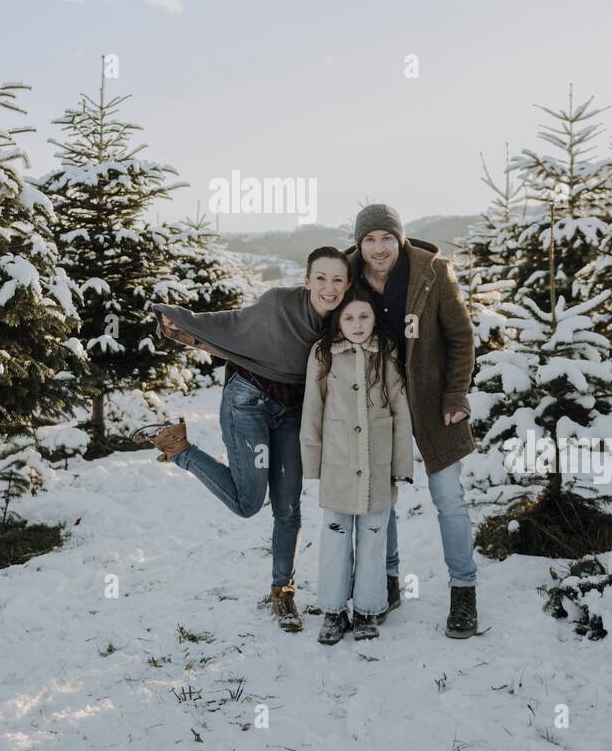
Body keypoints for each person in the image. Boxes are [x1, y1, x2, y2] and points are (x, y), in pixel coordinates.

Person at [132, 247, 350, 631]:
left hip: (293, 412)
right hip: (248, 401)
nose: (329, 288)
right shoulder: (279, 303)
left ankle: (283, 593)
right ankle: (178, 447)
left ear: (347, 283)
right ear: (307, 280)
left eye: (338, 279)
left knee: (288, 508)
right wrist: (183, 320)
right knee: (248, 503)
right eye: (321, 278)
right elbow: (235, 322)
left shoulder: (343, 321)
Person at [345, 204, 480, 638]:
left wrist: (456, 394)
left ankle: (464, 592)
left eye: (387, 237)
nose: (379, 248)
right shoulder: (347, 276)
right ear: (359, 244)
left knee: (448, 498)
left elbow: (461, 338)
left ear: (399, 238)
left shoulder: (433, 272)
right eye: (370, 239)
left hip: (433, 403)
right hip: (377, 406)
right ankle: (388, 583)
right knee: (380, 499)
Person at [300, 287, 413, 644]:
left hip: (378, 466)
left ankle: (367, 609)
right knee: (335, 537)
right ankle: (333, 612)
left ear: (374, 318)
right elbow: (312, 411)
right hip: (338, 463)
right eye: (348, 317)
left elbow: (400, 410)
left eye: (364, 316)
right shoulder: (323, 354)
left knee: (373, 538)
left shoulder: (387, 352)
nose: (357, 324)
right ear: (338, 321)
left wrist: (401, 464)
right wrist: (312, 463)